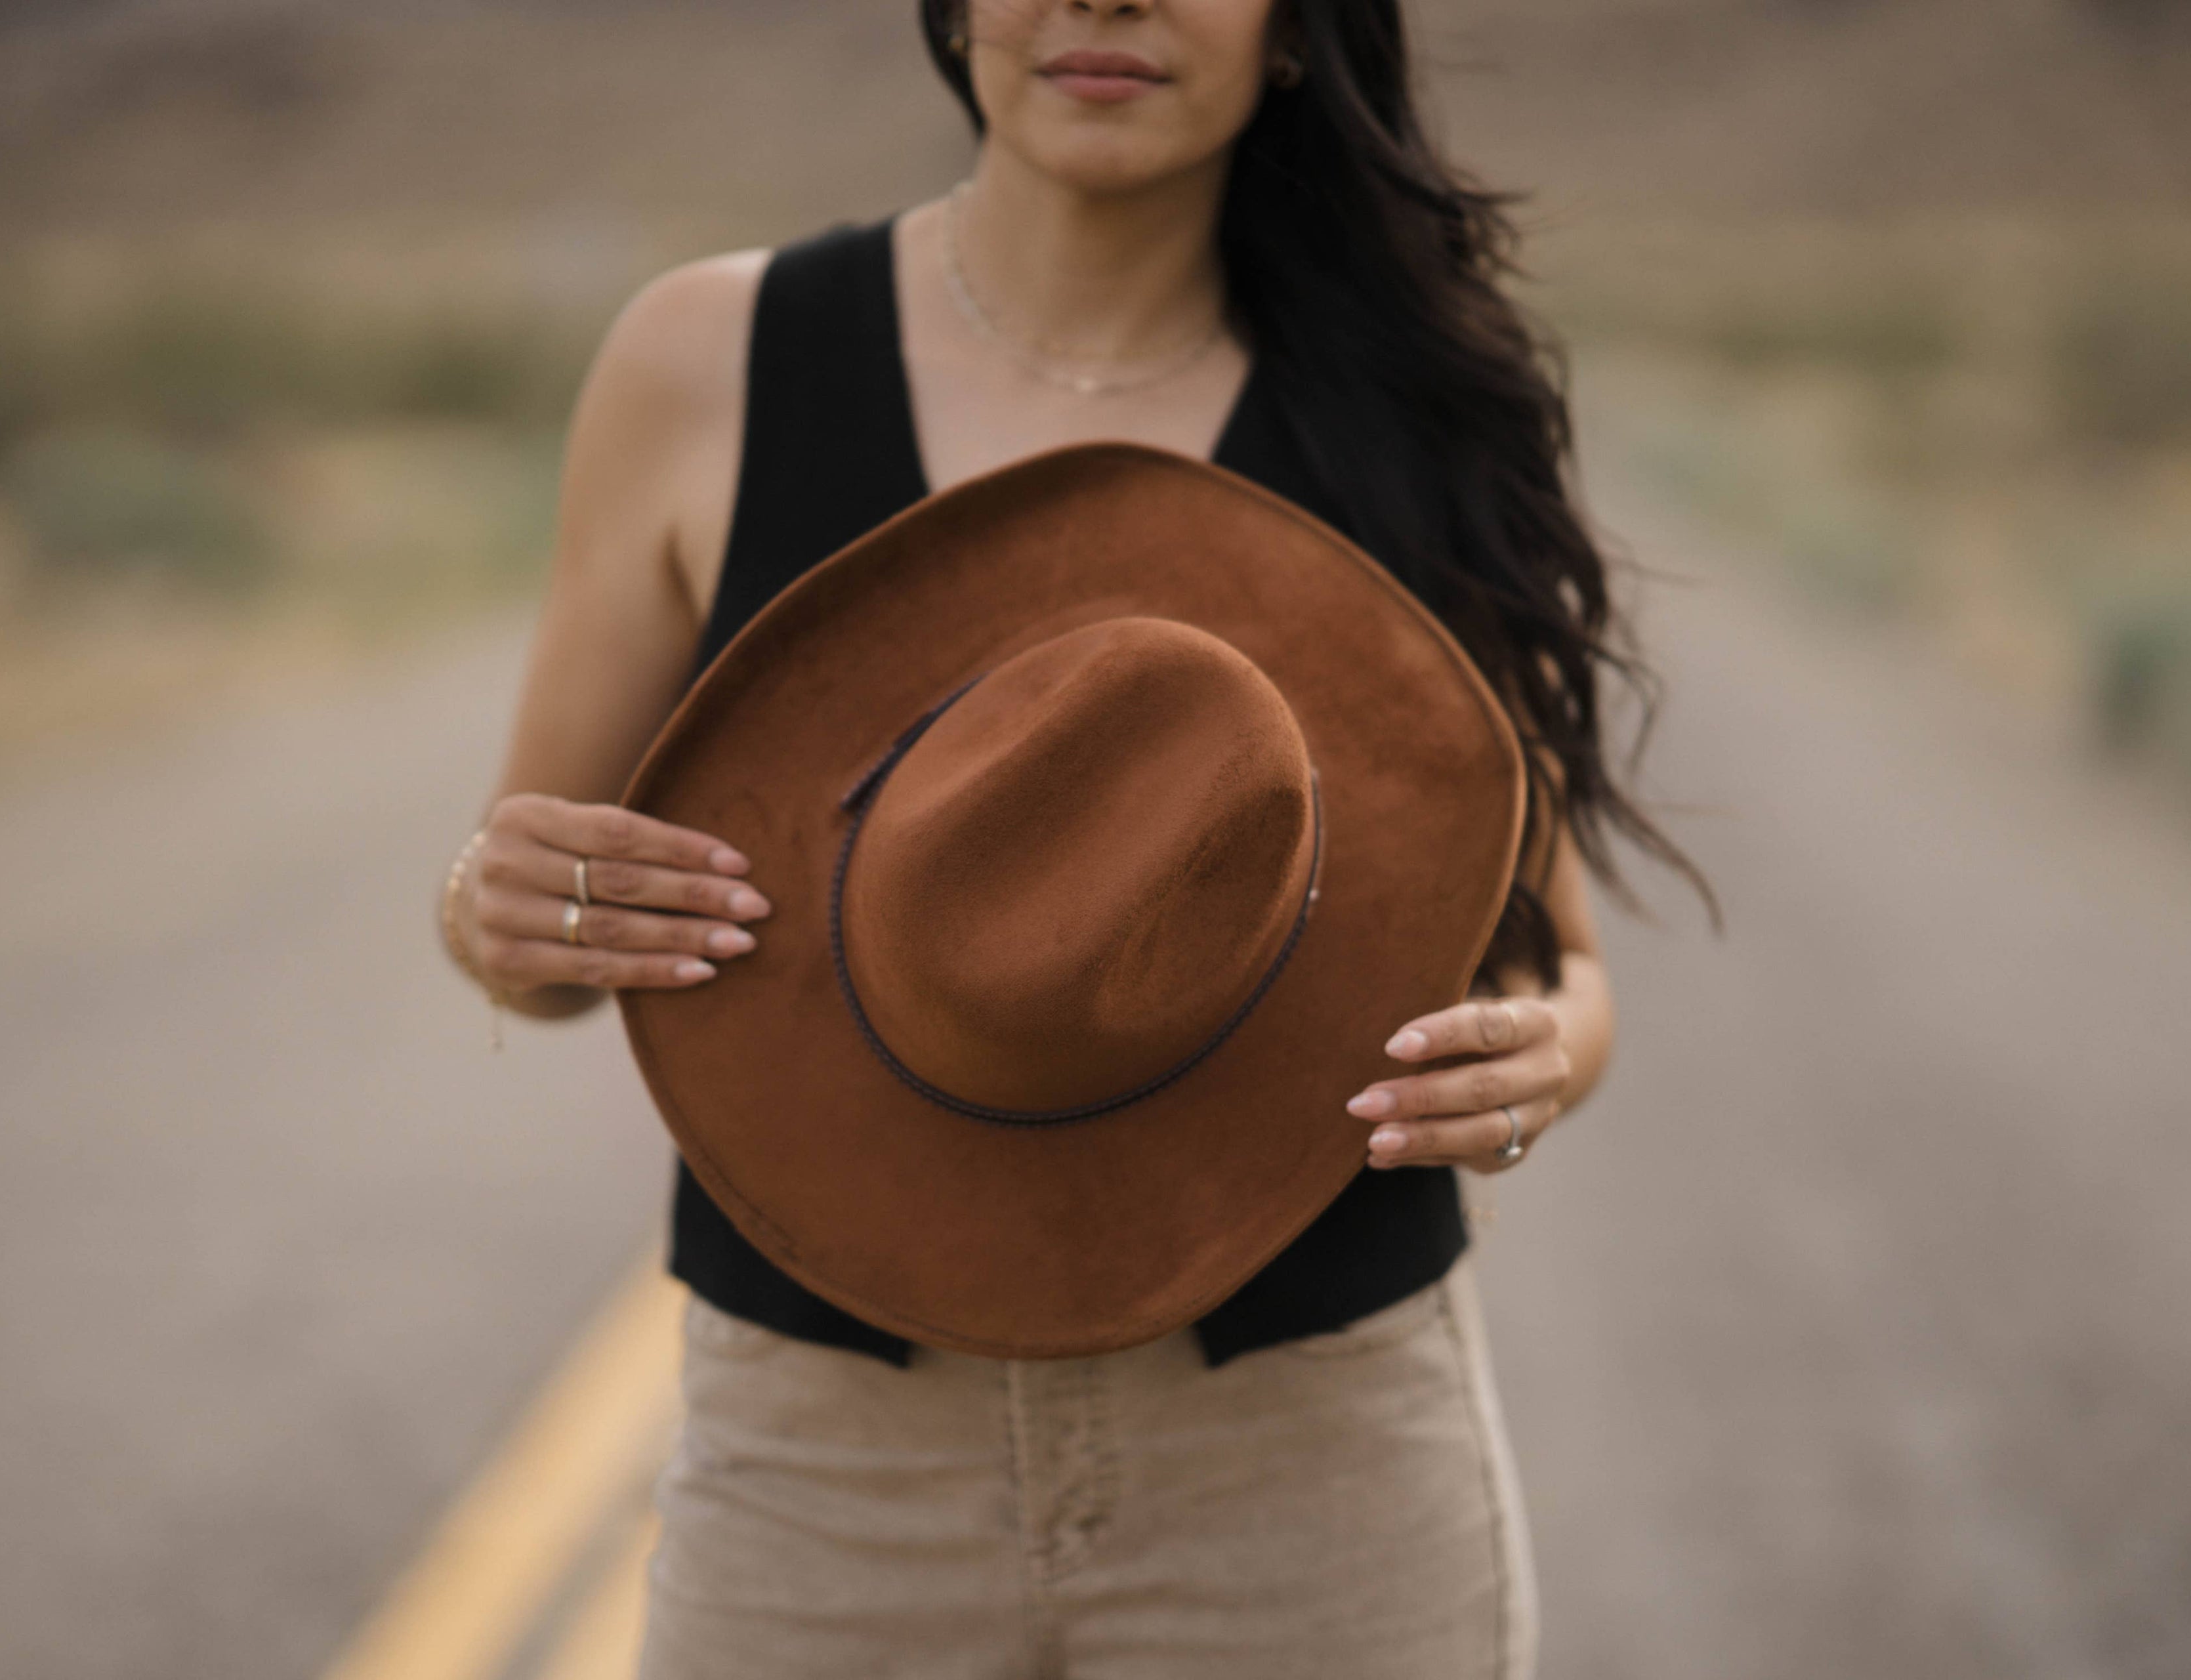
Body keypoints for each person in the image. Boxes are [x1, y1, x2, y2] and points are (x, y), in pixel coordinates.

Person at [436, 1, 1716, 1674]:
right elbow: (549, 948)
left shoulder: (1398, 410)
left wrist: (1533, 1062)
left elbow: (1566, 973)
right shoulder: (713, 363)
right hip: (827, 1468)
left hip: (1307, 1458)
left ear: (1292, 31)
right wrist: (494, 912)